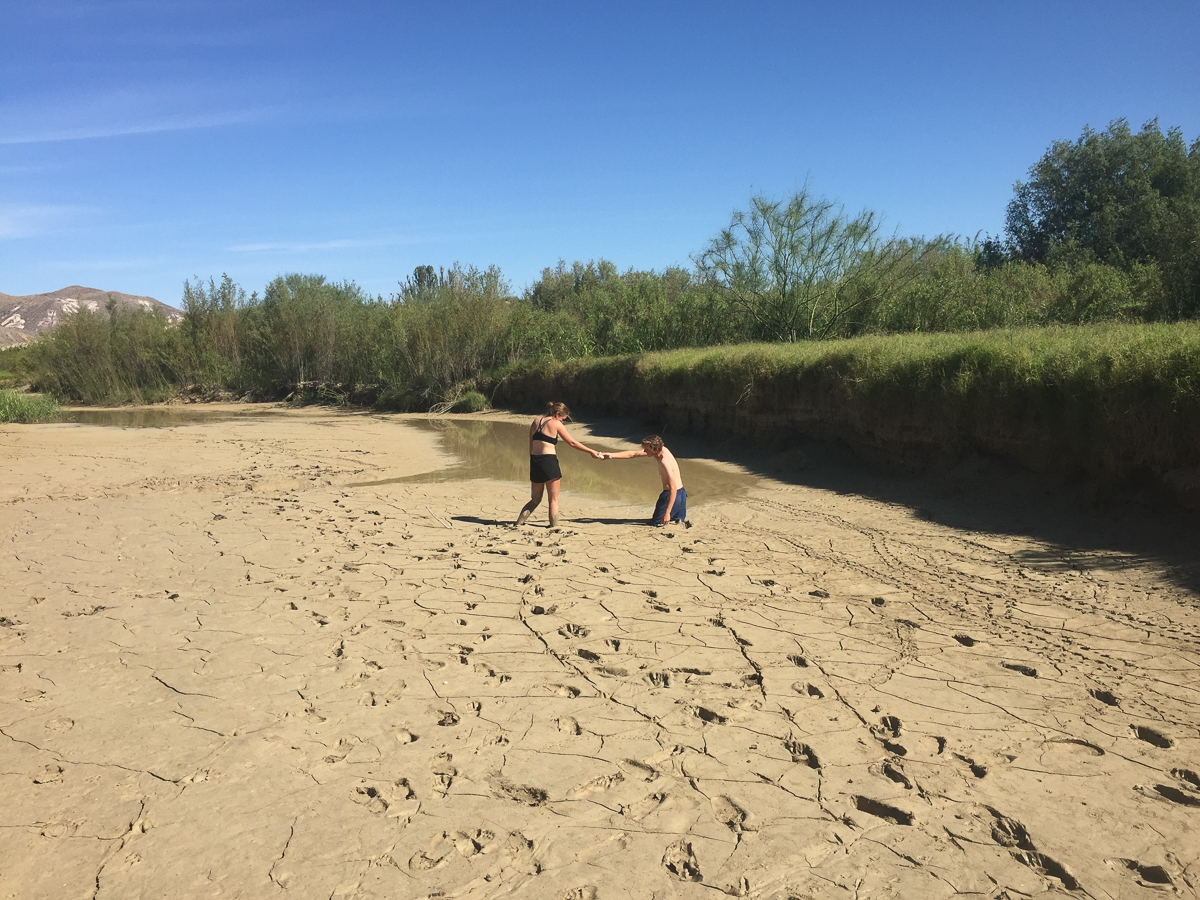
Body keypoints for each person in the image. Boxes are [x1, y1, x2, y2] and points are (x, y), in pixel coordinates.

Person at [516, 402, 603, 528]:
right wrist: (591, 451)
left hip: (535, 461)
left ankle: (518, 523)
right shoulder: (555, 424)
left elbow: (531, 445)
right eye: (563, 419)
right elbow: (572, 443)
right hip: (549, 461)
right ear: (557, 414)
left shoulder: (535, 421)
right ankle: (553, 527)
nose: (562, 422)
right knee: (553, 500)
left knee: (535, 499)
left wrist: (534, 463)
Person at [600, 435, 686, 526]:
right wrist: (611, 455)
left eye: (647, 450)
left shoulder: (665, 461)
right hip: (682, 494)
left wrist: (667, 512)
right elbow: (633, 454)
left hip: (672, 495)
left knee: (657, 523)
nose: (644, 451)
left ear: (654, 449)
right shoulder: (662, 450)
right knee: (676, 521)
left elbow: (673, 488)